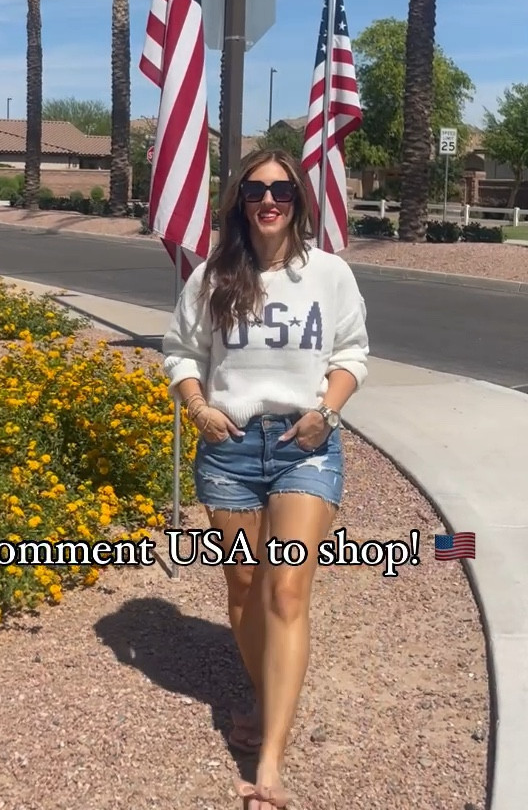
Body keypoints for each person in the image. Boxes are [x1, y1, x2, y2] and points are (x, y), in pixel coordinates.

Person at [162, 147, 370, 810]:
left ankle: (270, 760)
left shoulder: (329, 275)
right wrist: (198, 409)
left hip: (303, 443)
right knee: (246, 587)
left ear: (300, 200)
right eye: (256, 189)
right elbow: (182, 354)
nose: (269, 199)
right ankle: (265, 694)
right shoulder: (212, 276)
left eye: (281, 188)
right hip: (228, 447)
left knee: (285, 592)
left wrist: (327, 414)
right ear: (240, 201)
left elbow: (351, 354)